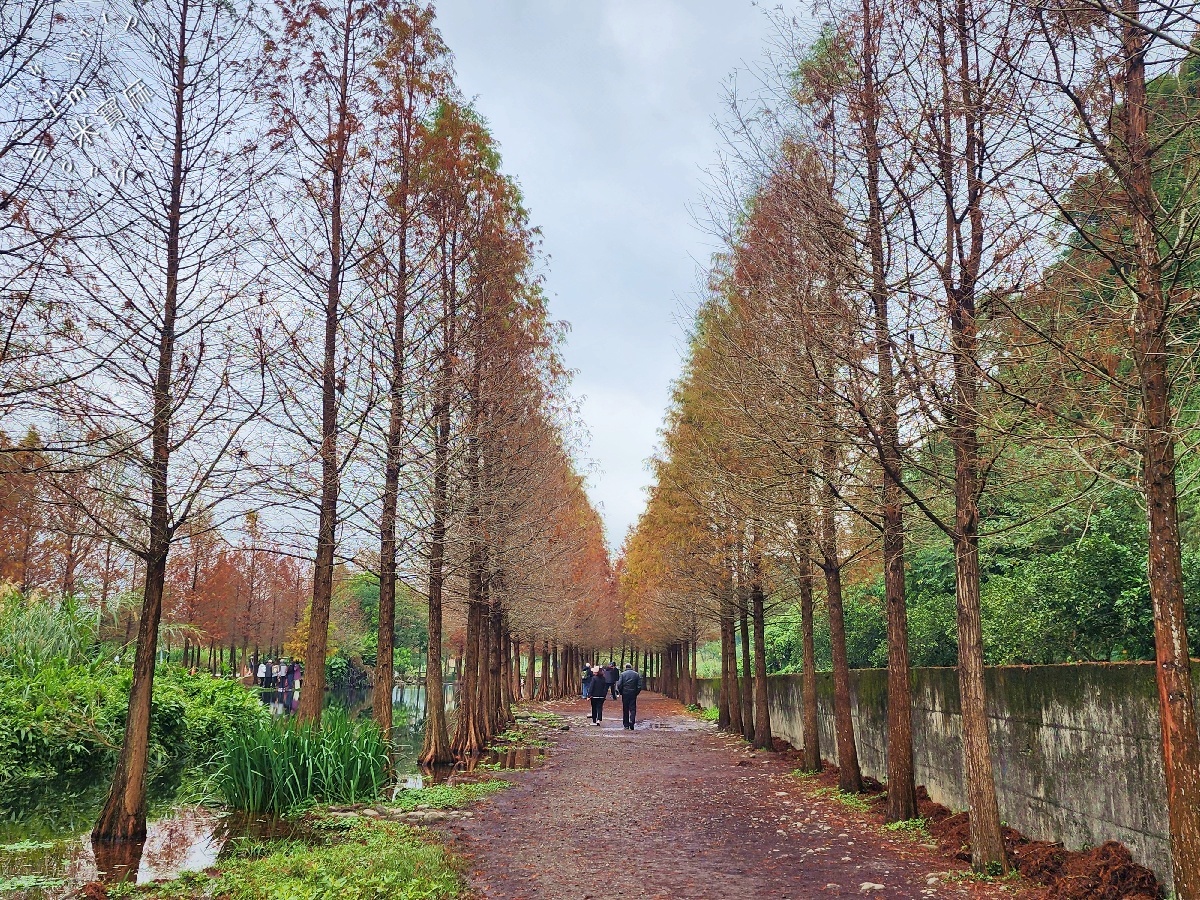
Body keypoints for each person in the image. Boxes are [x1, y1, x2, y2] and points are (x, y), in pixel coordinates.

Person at [617, 663, 645, 731]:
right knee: (633, 708)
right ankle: (632, 721)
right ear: (631, 667)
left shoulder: (623, 674)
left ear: (625, 667)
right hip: (633, 693)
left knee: (625, 709)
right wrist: (636, 692)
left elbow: (619, 684)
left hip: (625, 693)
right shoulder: (636, 674)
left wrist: (621, 692)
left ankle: (626, 725)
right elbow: (639, 685)